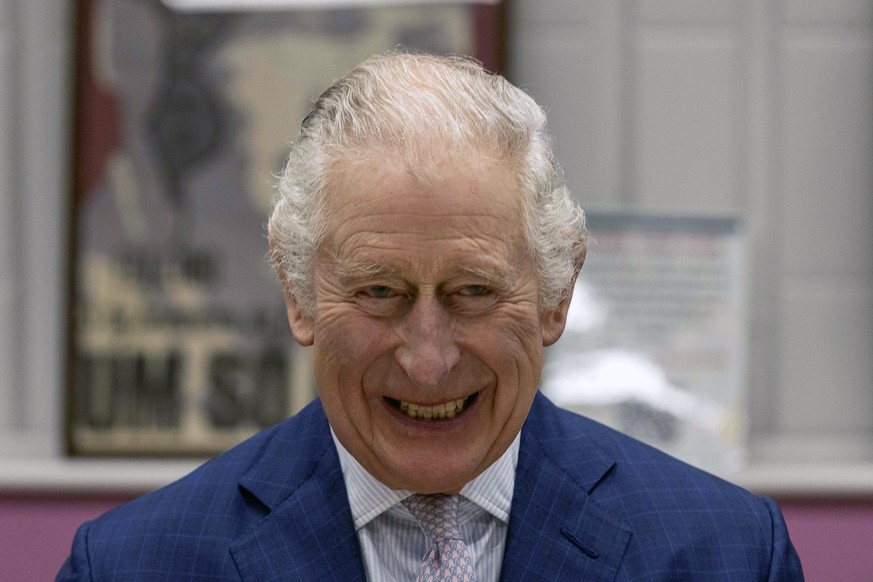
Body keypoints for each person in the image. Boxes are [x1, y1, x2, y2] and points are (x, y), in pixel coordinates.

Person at [57, 52, 803, 581]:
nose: (427, 359)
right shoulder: (134, 564)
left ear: (556, 293)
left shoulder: (724, 555)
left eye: (472, 292)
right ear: (297, 292)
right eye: (379, 292)